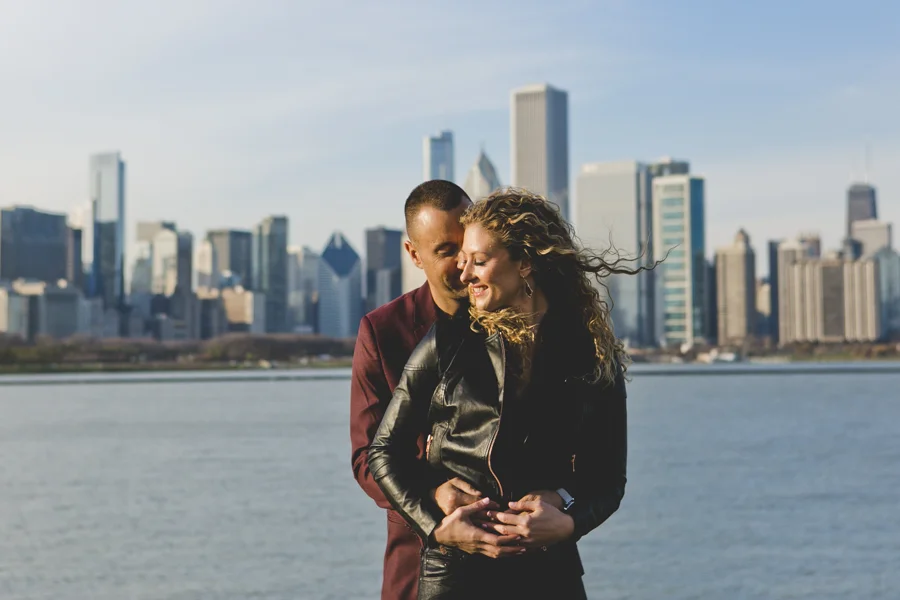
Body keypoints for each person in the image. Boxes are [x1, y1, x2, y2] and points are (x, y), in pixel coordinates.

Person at [368, 188, 634, 599]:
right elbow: (383, 451)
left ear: (525, 262)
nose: (465, 274)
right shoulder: (448, 342)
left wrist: (568, 518)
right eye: (462, 261)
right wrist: (436, 526)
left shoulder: (591, 353)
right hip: (456, 576)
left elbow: (607, 478)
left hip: (551, 575)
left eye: (479, 261)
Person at [351, 180, 510, 600]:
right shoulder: (383, 332)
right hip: (421, 561)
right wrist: (433, 494)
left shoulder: (523, 317)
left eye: (468, 244)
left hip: (524, 562)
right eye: (445, 251)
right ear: (413, 255)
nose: (464, 262)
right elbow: (367, 458)